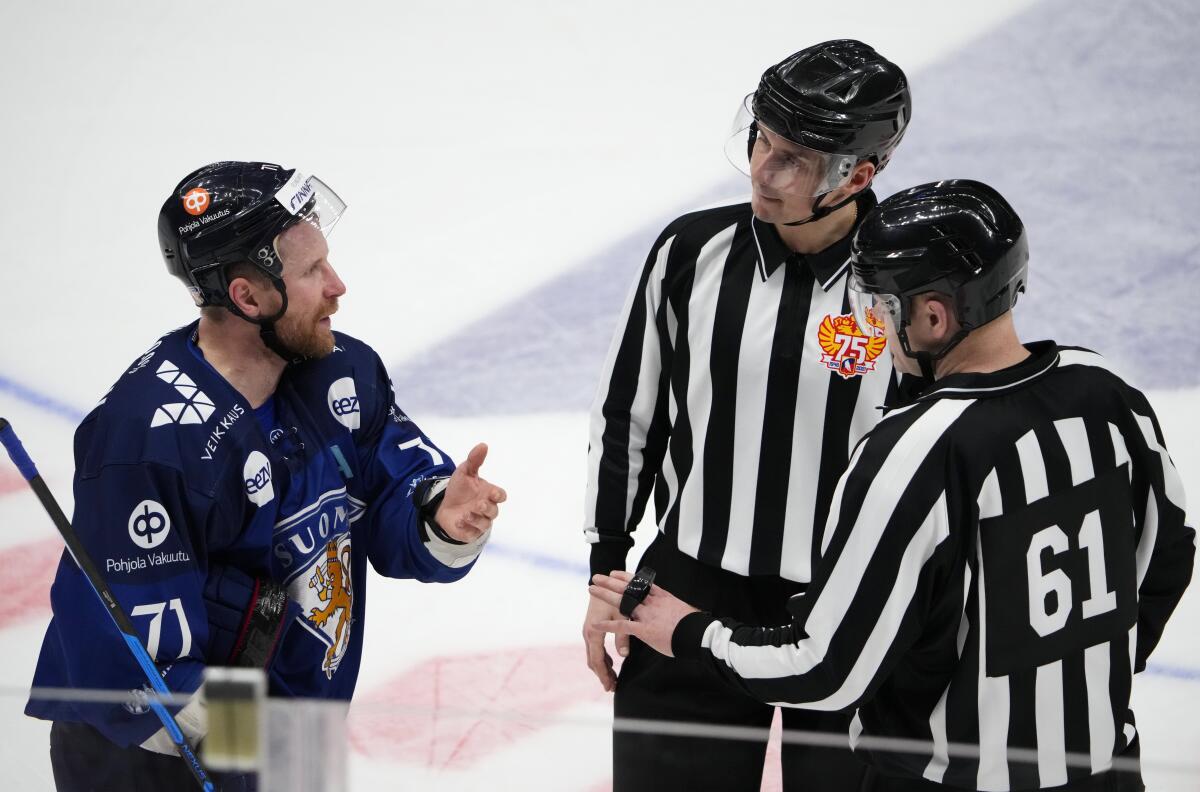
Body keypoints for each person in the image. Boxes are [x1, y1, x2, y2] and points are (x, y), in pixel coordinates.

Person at [590, 179, 1195, 791]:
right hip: (1107, 769)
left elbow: (825, 669)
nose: (873, 320)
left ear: (933, 316)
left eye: (881, 303)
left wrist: (691, 631)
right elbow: (1171, 550)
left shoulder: (912, 450)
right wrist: (1093, 670)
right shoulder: (1108, 392)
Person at [26, 161, 508, 791]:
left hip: (282, 736)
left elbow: (395, 497)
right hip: (149, 763)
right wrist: (274, 751)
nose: (338, 286)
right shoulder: (149, 441)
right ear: (248, 296)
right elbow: (144, 678)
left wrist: (441, 513)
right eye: (312, 272)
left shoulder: (340, 374)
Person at [582, 40, 911, 790]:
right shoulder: (691, 251)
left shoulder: (909, 283)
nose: (762, 168)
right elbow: (627, 417)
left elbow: (942, 456)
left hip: (849, 607)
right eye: (761, 137)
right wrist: (607, 575)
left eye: (793, 157)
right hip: (684, 594)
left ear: (857, 175)